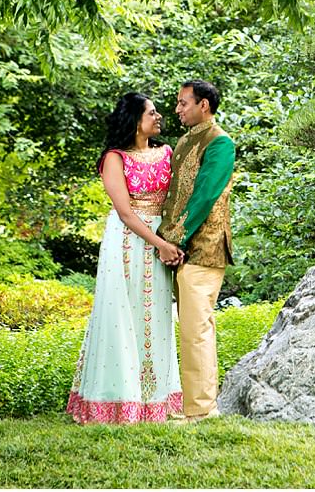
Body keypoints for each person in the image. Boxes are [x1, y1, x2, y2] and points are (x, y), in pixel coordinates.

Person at [67, 92, 185, 424]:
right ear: (135, 120)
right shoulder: (114, 158)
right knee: (122, 316)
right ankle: (118, 401)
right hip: (127, 244)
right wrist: (159, 244)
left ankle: (154, 401)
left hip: (161, 238)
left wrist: (172, 239)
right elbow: (125, 213)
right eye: (152, 112)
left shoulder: (166, 153)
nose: (159, 116)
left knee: (156, 320)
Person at [159, 79, 235, 423]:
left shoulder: (220, 143)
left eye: (183, 103)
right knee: (186, 329)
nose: (177, 109)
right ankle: (188, 405)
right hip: (178, 249)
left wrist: (174, 237)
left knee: (196, 330)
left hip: (203, 248)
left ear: (204, 105)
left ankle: (202, 410)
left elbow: (205, 196)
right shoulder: (185, 141)